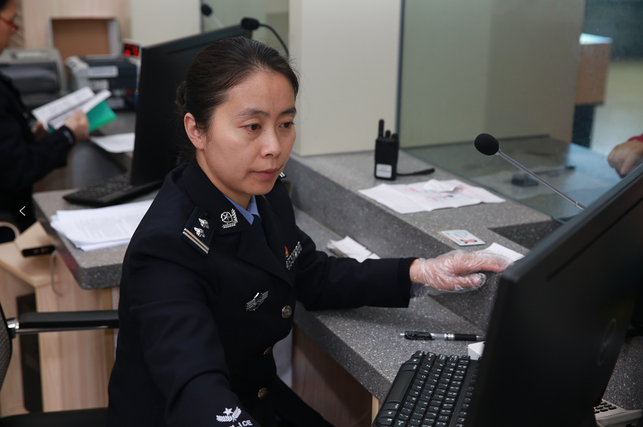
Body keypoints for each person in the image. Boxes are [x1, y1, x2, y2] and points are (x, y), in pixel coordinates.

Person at [106, 37, 512, 427]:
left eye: (285, 124)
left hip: (257, 398)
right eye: (252, 127)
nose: (274, 147)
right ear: (197, 130)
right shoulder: (168, 248)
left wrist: (418, 272)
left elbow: (307, 273)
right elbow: (196, 390)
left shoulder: (261, 192)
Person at [0, 0, 89, 241]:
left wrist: (31, 136)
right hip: (9, 222)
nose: (13, 30)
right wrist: (68, 134)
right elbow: (16, 170)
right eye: (10, 22)